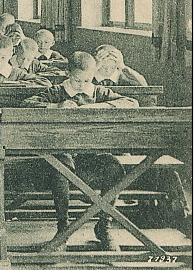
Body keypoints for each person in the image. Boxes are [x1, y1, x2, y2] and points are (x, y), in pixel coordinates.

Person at [22, 52, 139, 250]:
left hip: (90, 154)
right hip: (62, 154)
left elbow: (131, 103)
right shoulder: (56, 91)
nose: (81, 84)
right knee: (61, 168)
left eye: (87, 79)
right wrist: (56, 106)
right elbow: (26, 104)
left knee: (114, 167)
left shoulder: (99, 92)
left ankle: (104, 225)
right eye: (77, 79)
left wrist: (100, 107)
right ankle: (63, 229)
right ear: (68, 73)